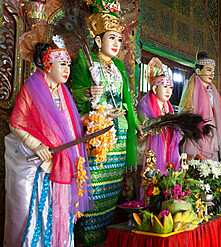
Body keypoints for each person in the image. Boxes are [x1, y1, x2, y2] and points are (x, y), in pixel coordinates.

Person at [5, 28, 93, 247]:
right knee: (35, 212)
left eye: (68, 64)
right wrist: (37, 145)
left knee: (59, 212)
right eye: (61, 64)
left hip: (61, 161)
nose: (67, 69)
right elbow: (16, 122)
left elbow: (66, 125)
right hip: (39, 164)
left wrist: (92, 119)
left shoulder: (63, 92)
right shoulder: (32, 89)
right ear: (47, 64)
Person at [71, 1, 143, 244]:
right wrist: (89, 92)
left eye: (119, 40)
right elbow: (73, 94)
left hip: (120, 132)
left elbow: (128, 100)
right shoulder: (86, 60)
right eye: (111, 38)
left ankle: (105, 235)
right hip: (97, 132)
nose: (116, 44)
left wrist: (135, 123)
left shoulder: (120, 66)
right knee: (94, 185)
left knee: (112, 188)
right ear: (98, 40)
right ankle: (86, 235)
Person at [179, 52, 221, 161]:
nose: (212, 74)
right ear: (198, 71)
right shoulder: (192, 87)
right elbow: (186, 110)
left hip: (211, 126)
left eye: (213, 71)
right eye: (209, 70)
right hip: (197, 127)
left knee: (212, 158)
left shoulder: (212, 89)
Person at [137, 57, 181, 171]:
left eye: (171, 87)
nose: (168, 91)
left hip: (167, 149)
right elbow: (143, 128)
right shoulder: (144, 106)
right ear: (155, 89)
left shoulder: (168, 107)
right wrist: (161, 120)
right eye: (165, 87)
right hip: (151, 152)